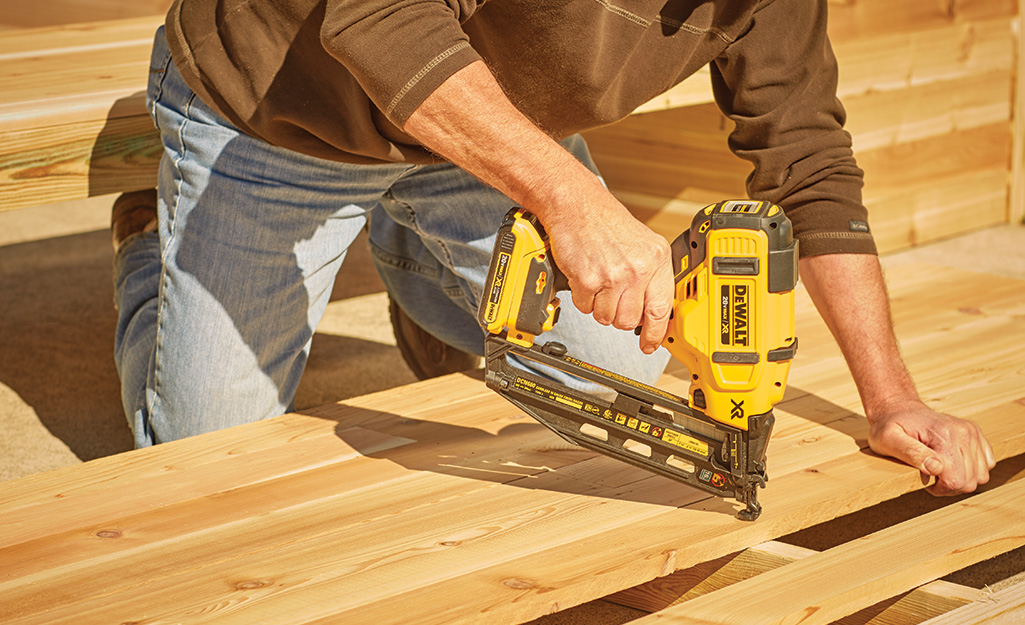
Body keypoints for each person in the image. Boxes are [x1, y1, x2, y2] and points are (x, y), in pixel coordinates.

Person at [112, 0, 994, 496]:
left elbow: (808, 164)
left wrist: (890, 400)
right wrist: (570, 198)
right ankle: (152, 245)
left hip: (484, 127)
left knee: (615, 363)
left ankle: (408, 249)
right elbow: (372, 14)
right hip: (283, 112)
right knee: (204, 457)